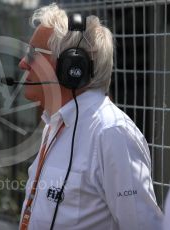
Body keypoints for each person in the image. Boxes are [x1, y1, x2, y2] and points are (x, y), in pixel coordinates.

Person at [18, 3, 163, 230]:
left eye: (32, 54)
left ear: (71, 67)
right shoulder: (55, 124)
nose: (23, 63)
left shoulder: (112, 133)